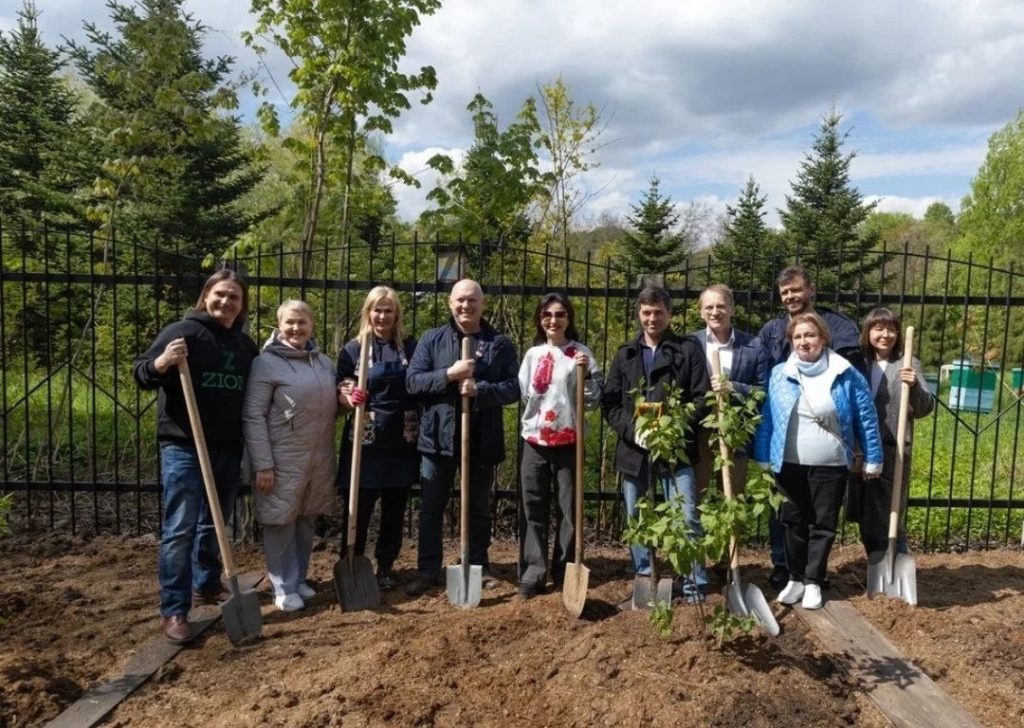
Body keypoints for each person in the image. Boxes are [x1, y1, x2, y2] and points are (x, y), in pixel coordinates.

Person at [133, 269, 258, 644]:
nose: (226, 302)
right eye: (220, 294)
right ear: (206, 296)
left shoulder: (245, 345)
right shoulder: (181, 333)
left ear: (242, 304)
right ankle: (174, 608)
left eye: (234, 297)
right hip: (184, 446)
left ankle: (207, 582)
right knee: (180, 528)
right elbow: (141, 373)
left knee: (215, 523)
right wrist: (162, 363)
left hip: (227, 446)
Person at [753, 312, 882, 610]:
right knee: (792, 522)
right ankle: (796, 578)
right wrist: (762, 455)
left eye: (809, 335)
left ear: (823, 338)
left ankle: (813, 581)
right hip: (788, 463)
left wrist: (873, 458)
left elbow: (866, 417)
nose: (803, 341)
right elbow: (768, 418)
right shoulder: (780, 374)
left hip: (831, 463)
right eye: (797, 337)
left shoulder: (845, 372)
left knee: (822, 524)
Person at [404, 279, 519, 596]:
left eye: (472, 300)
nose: (465, 306)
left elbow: (514, 387)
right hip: (436, 441)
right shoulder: (431, 340)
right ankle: (429, 570)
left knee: (479, 509)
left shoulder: (499, 343)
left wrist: (481, 390)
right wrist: (448, 375)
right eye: (460, 300)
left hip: (481, 441)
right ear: (449, 303)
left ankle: (477, 566)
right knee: (430, 509)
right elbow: (412, 382)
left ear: (483, 304)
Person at [757, 265, 863, 590]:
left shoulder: (839, 326)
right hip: (785, 434)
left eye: (796, 290)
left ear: (811, 290)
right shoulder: (772, 330)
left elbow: (851, 383)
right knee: (787, 510)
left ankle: (814, 573)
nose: (791, 296)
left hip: (824, 434)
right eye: (785, 292)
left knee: (820, 511)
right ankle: (785, 566)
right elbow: (763, 378)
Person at [602, 286, 709, 603]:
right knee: (638, 517)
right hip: (635, 453)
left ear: (670, 314)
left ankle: (694, 586)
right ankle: (645, 578)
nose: (652, 318)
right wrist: (633, 431)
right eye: (646, 312)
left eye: (658, 312)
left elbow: (701, 398)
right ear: (639, 314)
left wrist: (674, 429)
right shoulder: (626, 354)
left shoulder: (687, 350)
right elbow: (611, 403)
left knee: (686, 517)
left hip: (676, 451)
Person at [242, 300, 338, 612]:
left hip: (317, 456)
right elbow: (253, 415)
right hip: (281, 458)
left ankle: (298, 579)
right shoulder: (266, 363)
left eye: (302, 323)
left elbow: (329, 406)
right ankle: (281, 586)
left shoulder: (323, 362)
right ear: (279, 326)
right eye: (290, 323)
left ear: (312, 325)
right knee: (280, 520)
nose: (296, 328)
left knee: (305, 518)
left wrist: (348, 396)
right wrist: (263, 463)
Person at [516, 293, 603, 599]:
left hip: (570, 441)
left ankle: (566, 566)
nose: (554, 320)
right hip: (535, 441)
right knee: (533, 507)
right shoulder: (532, 355)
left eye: (560, 314)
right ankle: (534, 570)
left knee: (570, 509)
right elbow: (526, 396)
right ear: (540, 320)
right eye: (547, 315)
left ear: (569, 318)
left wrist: (587, 374)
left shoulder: (581, 354)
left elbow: (593, 399)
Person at [336, 286, 419, 591]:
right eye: (377, 310)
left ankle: (386, 565)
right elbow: (341, 388)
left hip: (401, 436)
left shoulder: (410, 347)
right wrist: (348, 396)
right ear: (368, 312)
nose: (382, 316)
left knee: (395, 509)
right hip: (366, 437)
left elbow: (421, 381)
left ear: (396, 314)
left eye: (388, 310)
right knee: (358, 506)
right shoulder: (353, 349)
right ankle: (350, 562)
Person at [854, 307, 933, 557]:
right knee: (864, 512)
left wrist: (915, 386)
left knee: (890, 513)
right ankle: (875, 560)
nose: (885, 335)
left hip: (893, 449)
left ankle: (896, 558)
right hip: (860, 449)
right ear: (868, 332)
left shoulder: (908, 364)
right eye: (879, 329)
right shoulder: (858, 364)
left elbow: (924, 408)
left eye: (891, 329)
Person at [688, 284, 769, 499]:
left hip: (735, 434)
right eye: (709, 307)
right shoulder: (689, 344)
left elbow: (762, 391)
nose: (715, 312)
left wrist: (733, 387)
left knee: (732, 499)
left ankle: (731, 535)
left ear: (732, 309)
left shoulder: (754, 345)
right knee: (697, 500)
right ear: (701, 312)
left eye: (721, 306)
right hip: (699, 434)